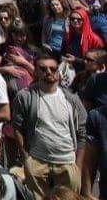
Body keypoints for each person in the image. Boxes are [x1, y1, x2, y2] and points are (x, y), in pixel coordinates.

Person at [11, 53, 86, 196]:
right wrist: (26, 158)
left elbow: (82, 133)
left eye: (52, 68)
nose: (48, 72)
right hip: (37, 161)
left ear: (58, 71)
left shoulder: (72, 99)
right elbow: (17, 127)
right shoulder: (25, 96)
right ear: (36, 71)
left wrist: (78, 167)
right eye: (43, 68)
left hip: (67, 162)